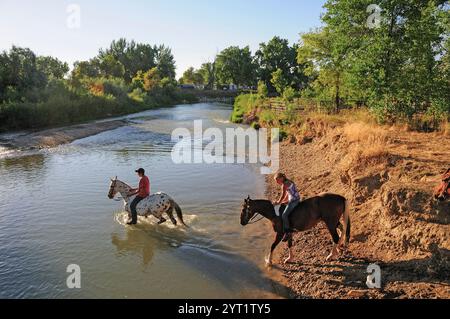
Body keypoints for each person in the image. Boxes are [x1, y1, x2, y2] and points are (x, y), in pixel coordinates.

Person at [273, 173, 301, 241]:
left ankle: (287, 232)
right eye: (276, 181)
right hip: (294, 198)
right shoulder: (288, 181)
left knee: (284, 215)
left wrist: (278, 202)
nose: (277, 182)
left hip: (293, 200)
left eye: (277, 180)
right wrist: (282, 202)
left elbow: (283, 195)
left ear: (281, 178)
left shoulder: (284, 185)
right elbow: (288, 194)